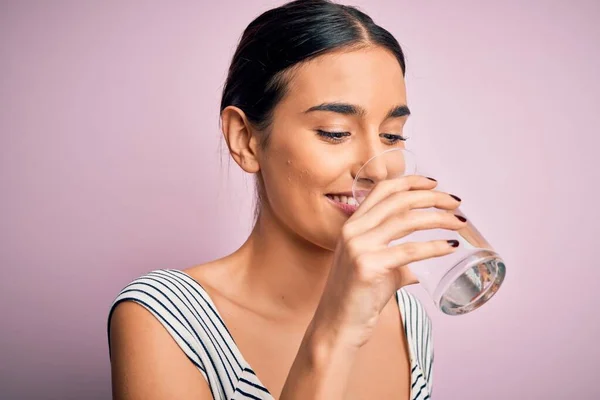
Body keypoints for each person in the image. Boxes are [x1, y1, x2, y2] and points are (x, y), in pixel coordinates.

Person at [107, 0, 466, 398]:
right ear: (245, 139)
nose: (378, 170)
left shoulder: (407, 318)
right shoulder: (165, 317)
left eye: (392, 135)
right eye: (334, 132)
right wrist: (335, 334)